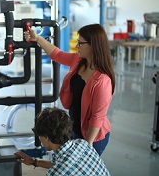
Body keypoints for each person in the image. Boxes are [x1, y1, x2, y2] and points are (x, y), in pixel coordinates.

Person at [25, 24, 115, 156]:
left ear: (93, 45)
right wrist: (37, 38)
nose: (77, 46)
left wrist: (87, 146)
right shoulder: (79, 61)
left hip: (93, 136)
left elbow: (97, 117)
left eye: (80, 43)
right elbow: (57, 54)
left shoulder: (102, 81)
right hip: (75, 126)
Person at [14, 107, 110, 176]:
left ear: (47, 137)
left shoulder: (56, 173)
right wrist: (33, 162)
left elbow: (60, 168)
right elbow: (58, 164)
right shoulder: (82, 144)